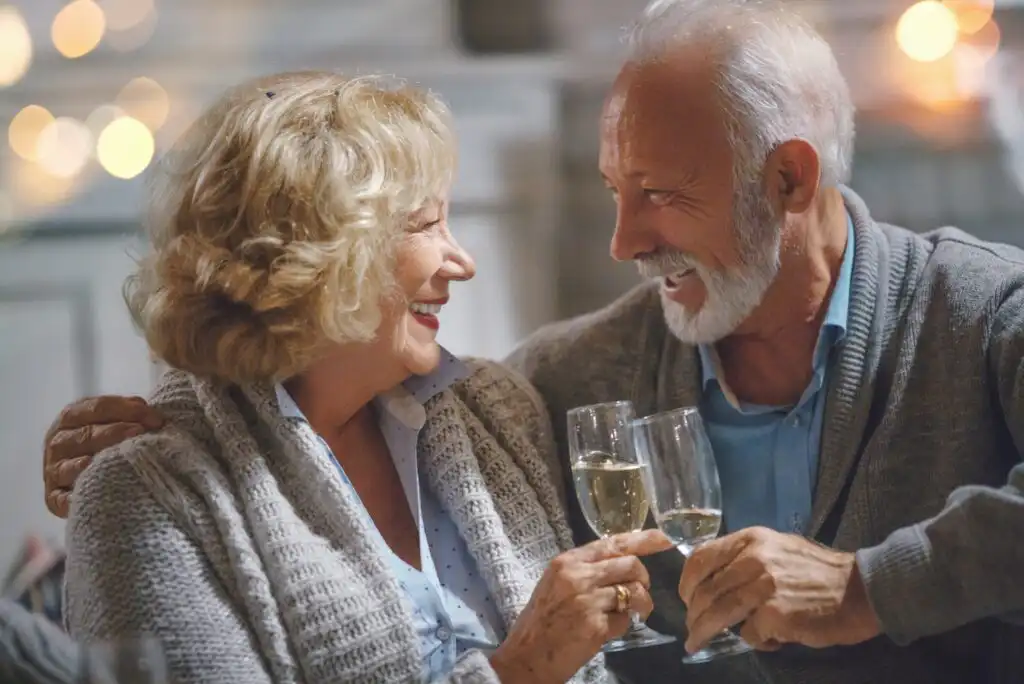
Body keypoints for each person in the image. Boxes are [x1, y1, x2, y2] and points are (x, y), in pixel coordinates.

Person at [40, 2, 1024, 683]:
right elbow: (279, 407)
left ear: (788, 181)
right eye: (614, 192)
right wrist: (149, 440)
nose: (622, 243)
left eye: (659, 194)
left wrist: (864, 587)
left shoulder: (984, 310)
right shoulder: (560, 383)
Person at [46, 70, 675, 684]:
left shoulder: (499, 409)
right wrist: (517, 672)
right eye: (425, 225)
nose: (462, 261)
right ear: (312, 256)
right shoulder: (150, 496)